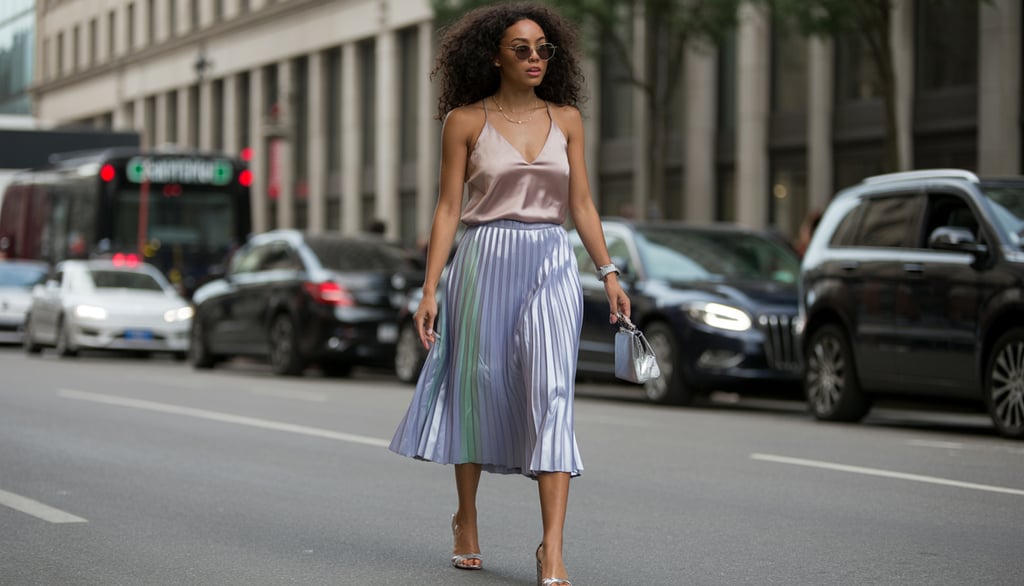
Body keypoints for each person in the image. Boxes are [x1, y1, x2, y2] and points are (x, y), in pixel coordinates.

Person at [388, 4, 630, 585]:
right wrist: (430, 290)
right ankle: (466, 517)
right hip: (482, 262)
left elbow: (582, 206)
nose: (535, 59)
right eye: (521, 49)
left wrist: (609, 273)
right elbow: (449, 209)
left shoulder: (568, 119)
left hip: (551, 261)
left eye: (544, 48)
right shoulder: (464, 121)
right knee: (479, 384)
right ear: (494, 55)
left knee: (551, 391)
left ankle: (551, 547)